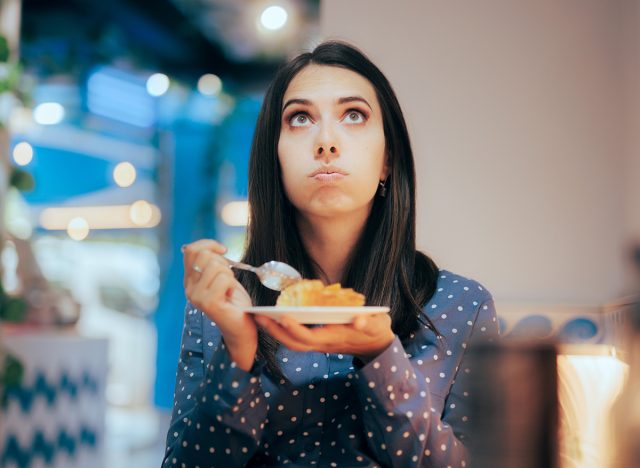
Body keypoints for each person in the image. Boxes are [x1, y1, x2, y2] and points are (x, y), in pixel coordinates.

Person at [163, 41, 499, 467]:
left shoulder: (461, 307)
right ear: (275, 158)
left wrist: (382, 356)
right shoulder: (225, 308)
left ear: (387, 161)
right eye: (300, 118)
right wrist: (237, 350)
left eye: (353, 115)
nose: (326, 142)